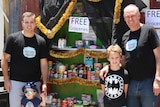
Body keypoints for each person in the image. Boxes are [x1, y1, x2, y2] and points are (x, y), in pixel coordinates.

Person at [100, 4, 160, 107]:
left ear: (138, 16)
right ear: (124, 18)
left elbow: (158, 56)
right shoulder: (125, 36)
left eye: (132, 15)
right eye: (127, 17)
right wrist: (108, 67)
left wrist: (158, 79)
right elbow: (122, 60)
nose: (130, 19)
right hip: (131, 83)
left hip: (148, 83)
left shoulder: (149, 31)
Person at [1, 12, 49, 107]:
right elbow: (4, 59)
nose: (29, 25)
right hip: (16, 83)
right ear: (22, 23)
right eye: (26, 22)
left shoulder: (41, 41)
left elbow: (43, 63)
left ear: (35, 24)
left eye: (31, 22)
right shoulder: (13, 39)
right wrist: (6, 80)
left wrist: (44, 82)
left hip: (34, 84)